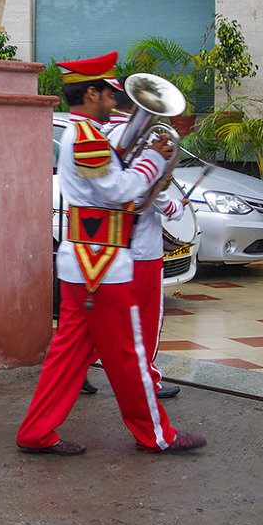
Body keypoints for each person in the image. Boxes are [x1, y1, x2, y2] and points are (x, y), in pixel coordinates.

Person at [16, 52, 206, 456]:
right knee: (128, 356)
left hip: (86, 263)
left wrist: (142, 147)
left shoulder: (88, 135)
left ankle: (36, 432)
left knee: (68, 357)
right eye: (108, 92)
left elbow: (111, 168)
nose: (114, 99)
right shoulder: (84, 137)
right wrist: (155, 158)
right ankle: (157, 435)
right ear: (91, 92)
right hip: (100, 264)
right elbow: (119, 191)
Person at [101, 77, 189, 400]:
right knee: (146, 319)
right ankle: (147, 381)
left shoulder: (101, 135)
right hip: (143, 247)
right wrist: (176, 206)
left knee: (107, 317)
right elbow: (144, 190)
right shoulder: (148, 138)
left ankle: (83, 370)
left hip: (109, 244)